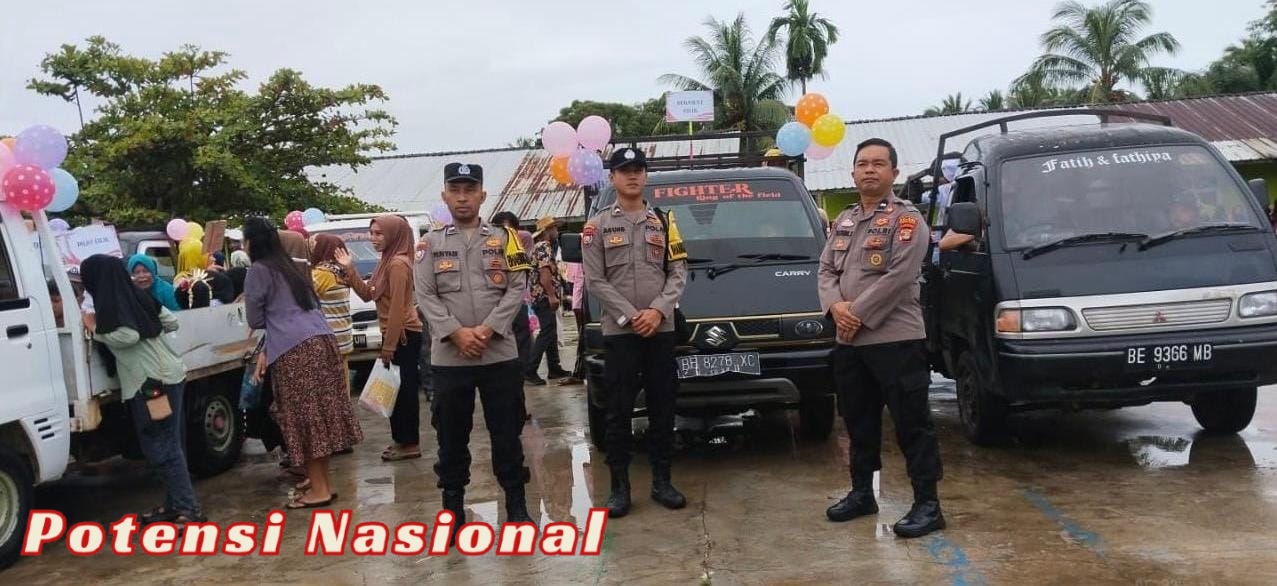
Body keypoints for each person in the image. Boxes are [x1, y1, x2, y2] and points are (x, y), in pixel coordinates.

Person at [817, 138, 945, 538]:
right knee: (858, 422)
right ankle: (862, 494)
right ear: (853, 172)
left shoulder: (907, 220)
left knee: (912, 424)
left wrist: (855, 314)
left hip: (895, 340)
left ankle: (928, 504)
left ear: (894, 172)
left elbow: (900, 276)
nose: (869, 170)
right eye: (862, 164)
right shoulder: (845, 220)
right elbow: (825, 270)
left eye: (878, 163)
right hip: (850, 343)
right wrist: (835, 307)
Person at [415, 162, 534, 525]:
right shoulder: (429, 244)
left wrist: (489, 329)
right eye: (456, 190)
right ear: (445, 196)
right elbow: (425, 295)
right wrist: (456, 333)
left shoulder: (505, 239)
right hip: (451, 358)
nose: (463, 197)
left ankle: (517, 507)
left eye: (470, 190)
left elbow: (516, 287)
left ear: (483, 195)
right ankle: (452, 510)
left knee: (507, 434)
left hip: (498, 354)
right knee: (451, 438)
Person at [582, 147, 689, 518]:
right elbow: (595, 280)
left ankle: (662, 482)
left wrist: (657, 311)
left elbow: (678, 272)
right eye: (624, 170)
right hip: (620, 333)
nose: (632, 176)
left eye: (638, 170)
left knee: (663, 407)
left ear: (645, 175)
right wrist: (631, 316)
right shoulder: (596, 226)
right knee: (618, 412)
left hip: (661, 329)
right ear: (612, 177)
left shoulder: (664, 220)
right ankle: (619, 488)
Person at [243, 218, 363, 508]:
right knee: (318, 415)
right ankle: (323, 484)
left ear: (250, 243)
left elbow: (255, 319)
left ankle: (319, 490)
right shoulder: (293, 268)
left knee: (302, 417)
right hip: (323, 341)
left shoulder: (258, 271)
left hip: (294, 350)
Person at [80, 254, 205, 524]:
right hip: (169, 375)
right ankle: (175, 504)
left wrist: (95, 328)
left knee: (162, 446)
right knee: (170, 444)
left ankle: (188, 509)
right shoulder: (140, 297)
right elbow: (171, 322)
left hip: (151, 384)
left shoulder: (111, 307)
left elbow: (129, 336)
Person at [336, 215, 424, 462]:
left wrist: (389, 345)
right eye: (371, 233)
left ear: (394, 235)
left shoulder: (398, 264)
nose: (373, 238)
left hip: (404, 334)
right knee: (395, 390)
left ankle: (410, 443)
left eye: (379, 233)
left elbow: (397, 310)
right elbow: (368, 295)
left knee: (404, 392)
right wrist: (350, 269)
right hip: (394, 333)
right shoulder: (386, 261)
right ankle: (402, 440)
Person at [526, 215, 571, 385]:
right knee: (547, 332)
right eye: (554, 228)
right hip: (544, 296)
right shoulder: (544, 246)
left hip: (542, 296)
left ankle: (554, 367)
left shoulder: (539, 246)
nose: (556, 231)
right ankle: (530, 370)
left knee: (551, 332)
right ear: (547, 231)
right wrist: (552, 295)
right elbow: (544, 274)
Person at [491, 211, 535, 377]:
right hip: (493, 307)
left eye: (510, 230)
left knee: (522, 344)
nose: (506, 234)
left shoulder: (518, 251)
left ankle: (521, 375)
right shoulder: (485, 250)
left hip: (517, 304)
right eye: (502, 230)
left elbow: (521, 282)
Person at [310, 234, 355, 391]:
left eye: (314, 246)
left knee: (330, 387)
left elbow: (301, 297)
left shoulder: (322, 273)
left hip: (329, 338)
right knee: (342, 382)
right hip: (343, 335)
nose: (311, 250)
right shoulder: (340, 271)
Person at [174, 239, 234, 309]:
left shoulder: (213, 274)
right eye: (209, 256)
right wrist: (207, 274)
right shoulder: (181, 279)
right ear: (197, 257)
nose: (214, 259)